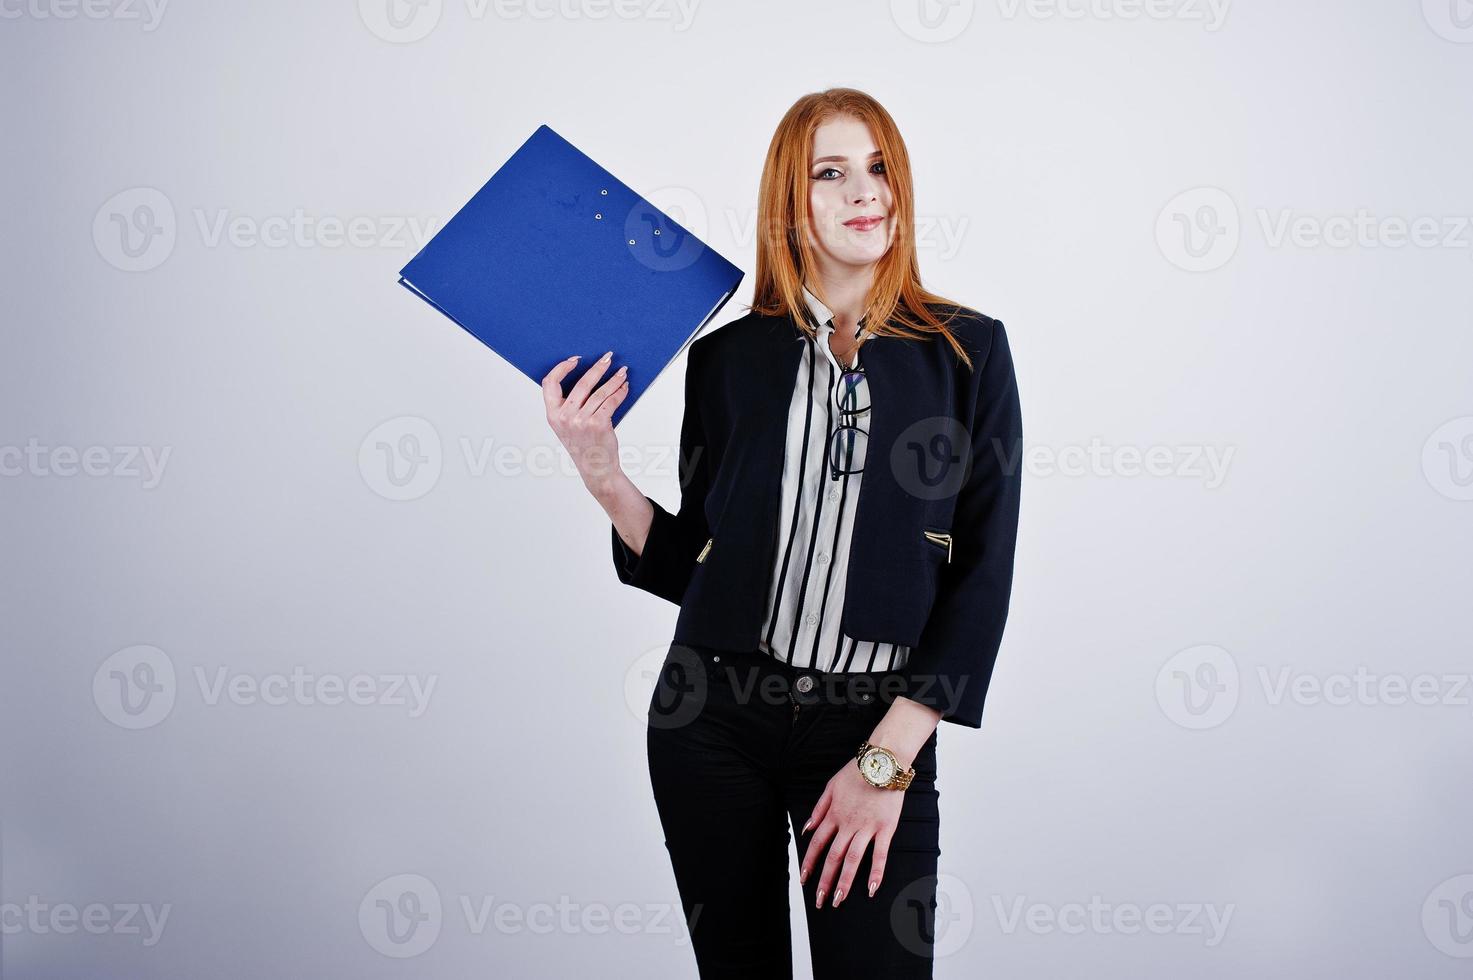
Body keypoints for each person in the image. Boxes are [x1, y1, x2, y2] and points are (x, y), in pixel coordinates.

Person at [542, 87, 1023, 979]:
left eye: (878, 167)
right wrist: (597, 469)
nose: (863, 192)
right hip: (711, 720)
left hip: (871, 723)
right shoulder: (727, 359)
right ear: (788, 204)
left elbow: (982, 575)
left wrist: (884, 763)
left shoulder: (969, 353)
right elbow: (703, 569)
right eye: (830, 173)